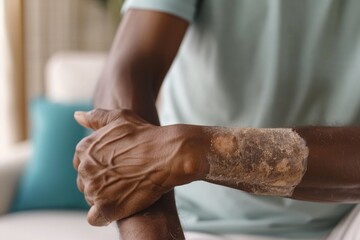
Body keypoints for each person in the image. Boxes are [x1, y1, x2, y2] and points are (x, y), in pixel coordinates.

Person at [73, 0, 360, 239]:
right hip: (189, 220)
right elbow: (128, 67)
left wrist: (194, 150)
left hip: (343, 224)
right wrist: (154, 227)